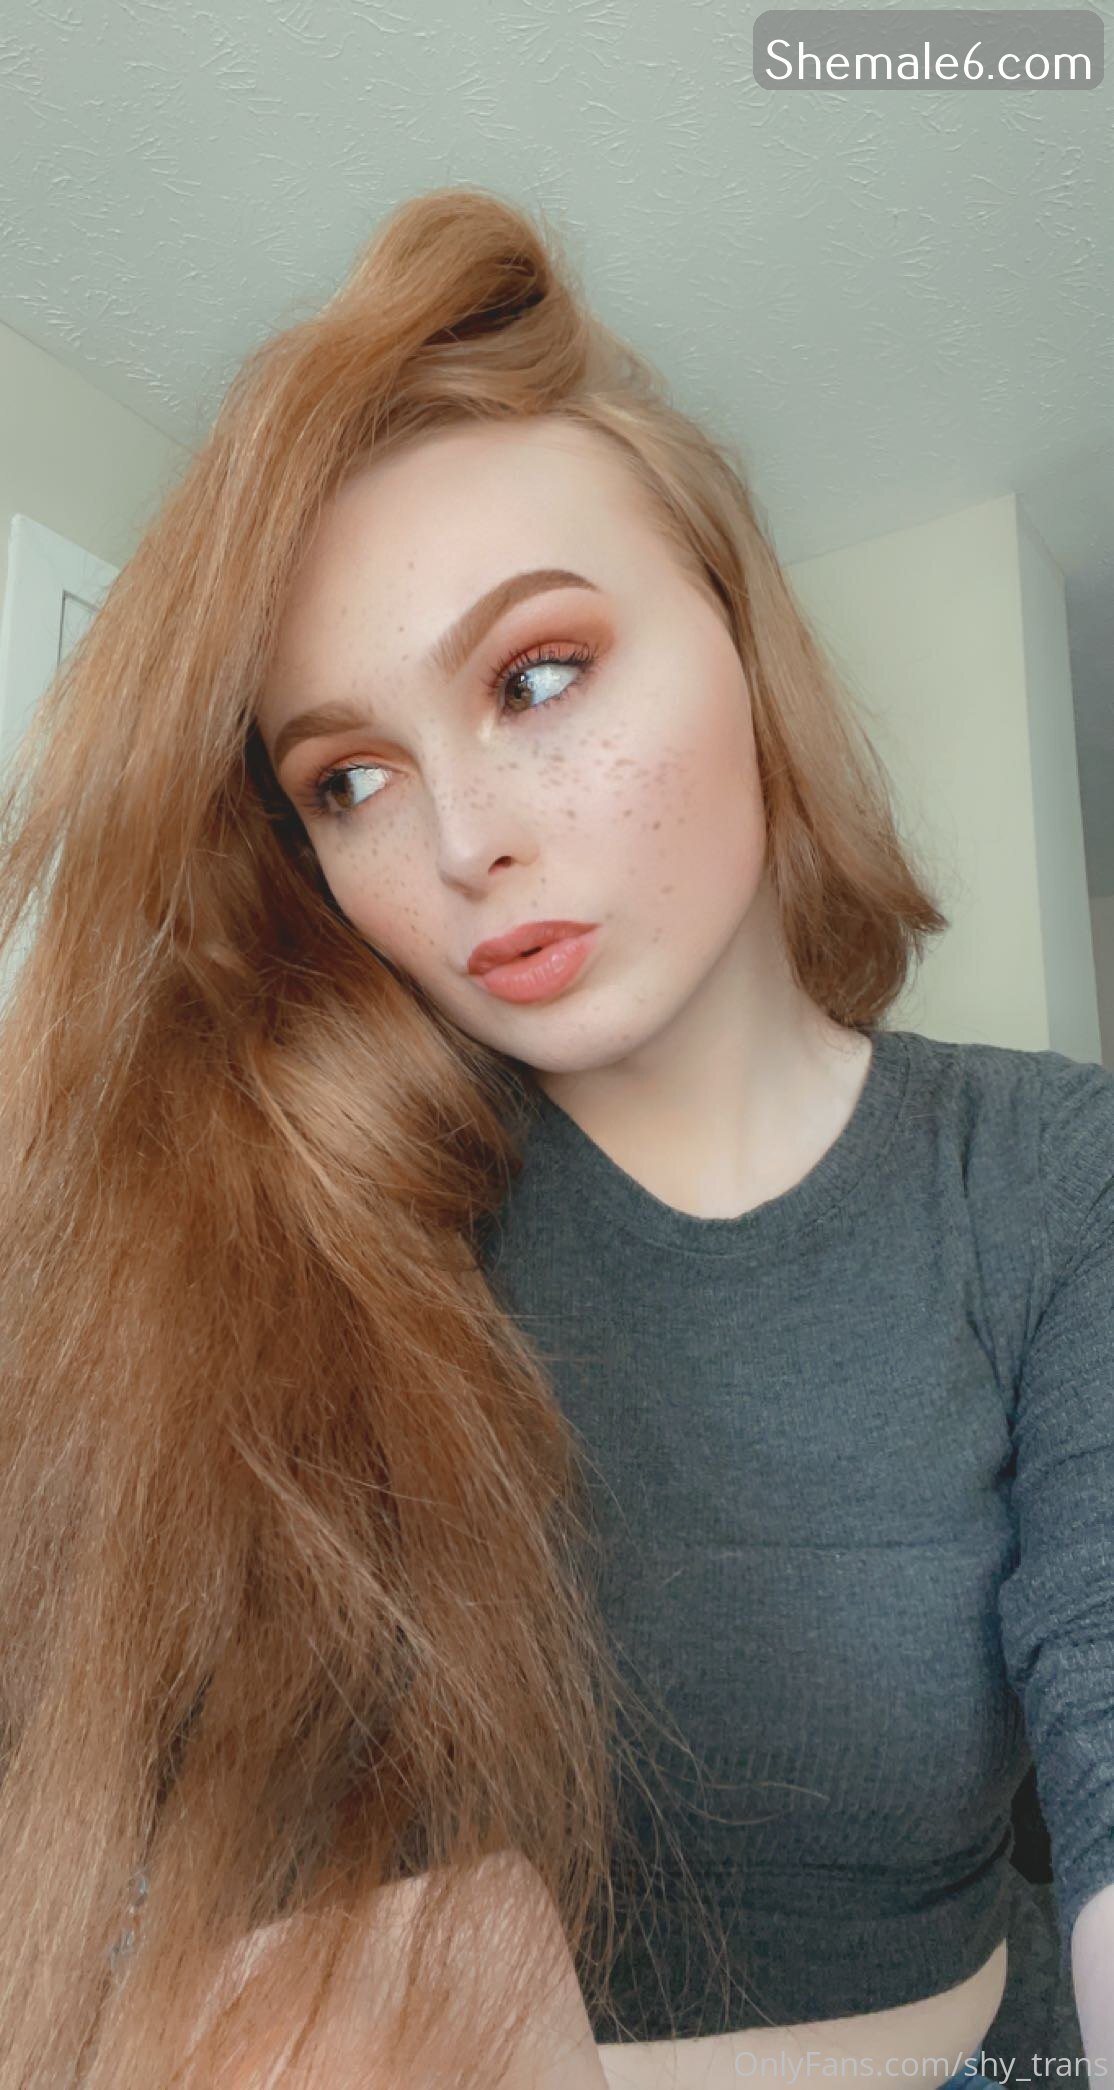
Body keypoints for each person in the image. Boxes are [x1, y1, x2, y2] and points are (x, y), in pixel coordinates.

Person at [0, 186, 1109, 2090]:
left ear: (741, 640)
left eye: (534, 676)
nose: (458, 841)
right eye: (348, 777)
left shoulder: (1036, 1173)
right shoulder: (325, 1219)